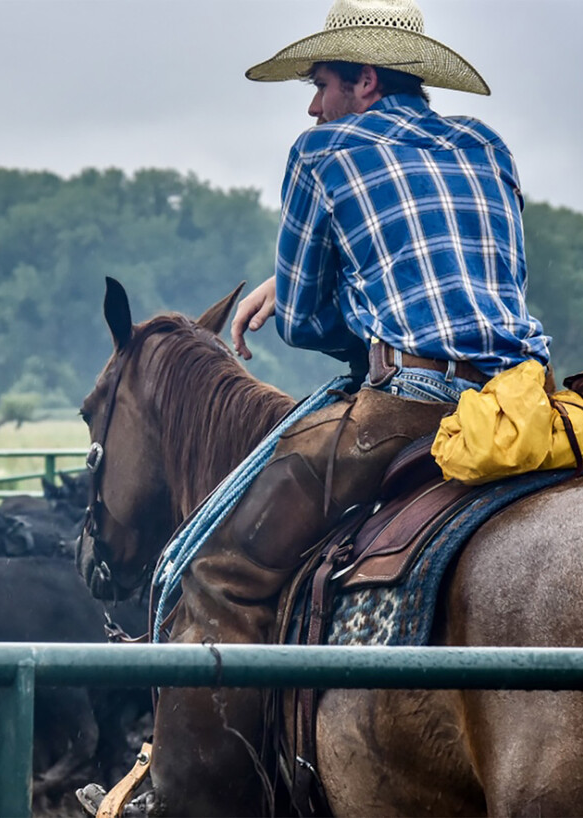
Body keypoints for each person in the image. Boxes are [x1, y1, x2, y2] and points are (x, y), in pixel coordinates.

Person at [148, 1, 551, 814]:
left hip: (412, 403)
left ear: (364, 80)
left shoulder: (322, 151)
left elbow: (305, 320)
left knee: (219, 573)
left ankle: (194, 797)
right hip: (525, 404)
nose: (311, 104)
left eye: (321, 82)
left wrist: (288, 291)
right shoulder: (485, 143)